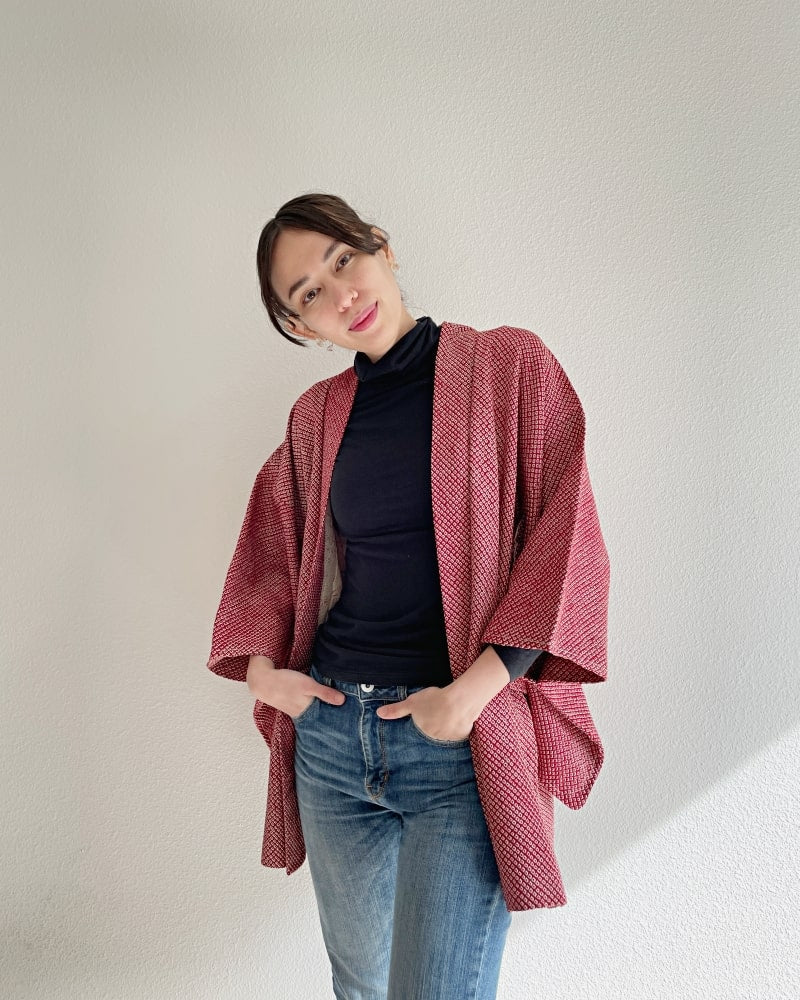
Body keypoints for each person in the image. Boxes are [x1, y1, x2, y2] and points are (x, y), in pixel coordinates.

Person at [207, 193, 611, 1000]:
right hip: (331, 740)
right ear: (299, 329)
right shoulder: (316, 418)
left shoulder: (509, 367)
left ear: (381, 249)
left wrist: (476, 692)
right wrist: (262, 674)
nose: (340, 294)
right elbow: (270, 546)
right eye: (308, 294)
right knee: (358, 985)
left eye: (343, 260)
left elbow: (565, 534)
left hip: (457, 744)